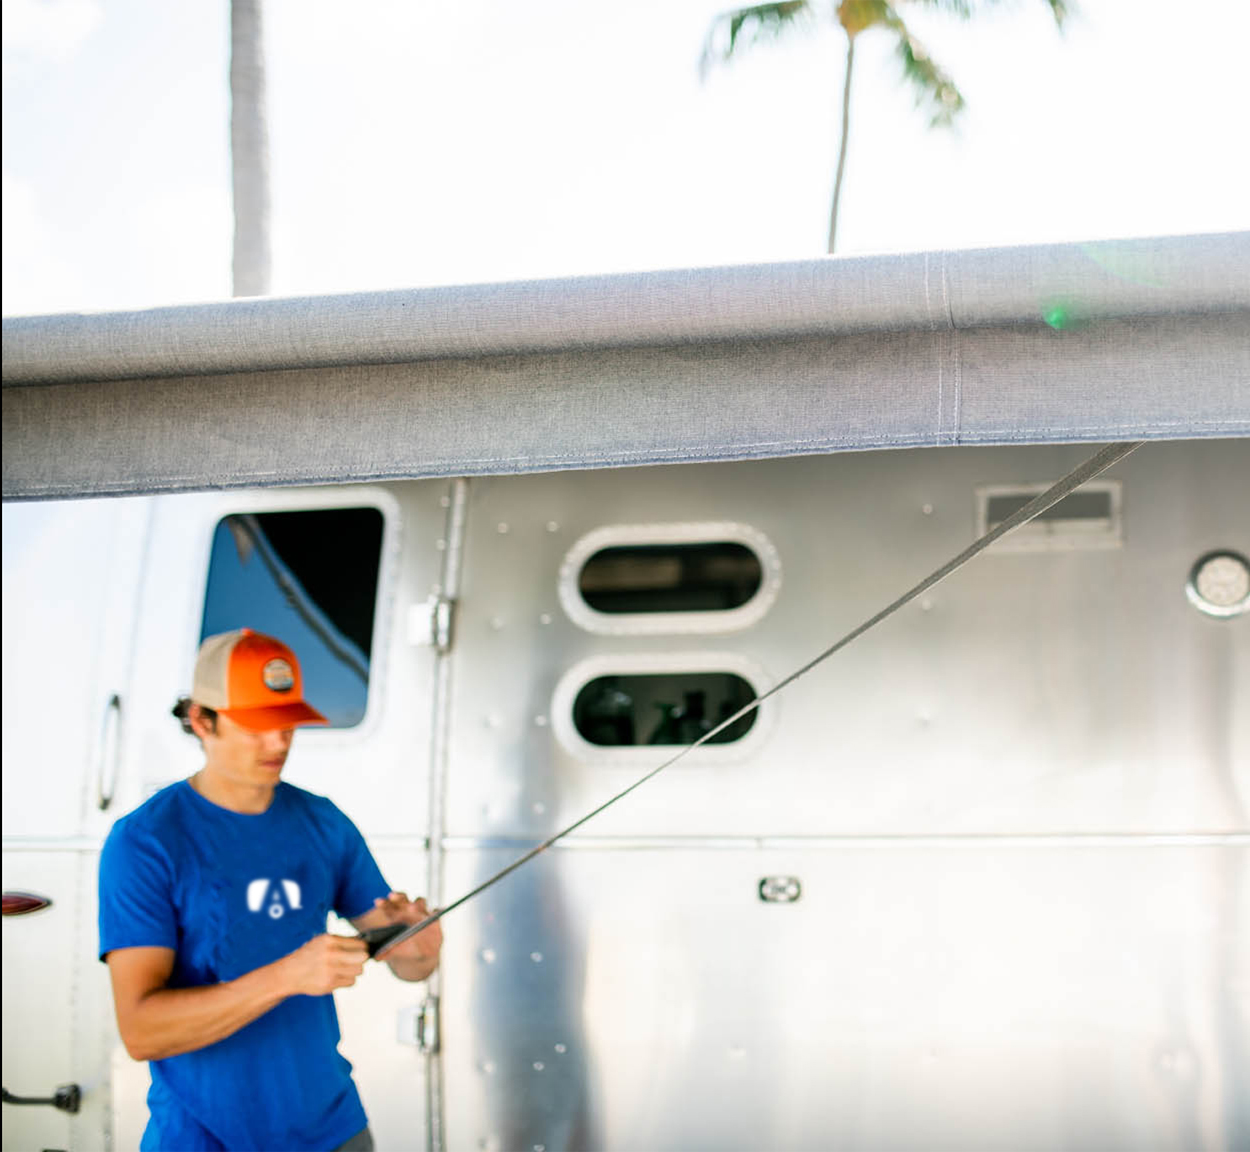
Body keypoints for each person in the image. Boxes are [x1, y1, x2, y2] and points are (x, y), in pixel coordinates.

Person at [98, 628, 443, 1152]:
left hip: (334, 1132)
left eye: (287, 724)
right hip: (201, 1138)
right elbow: (143, 1031)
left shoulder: (323, 823)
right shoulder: (146, 842)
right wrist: (287, 976)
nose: (278, 742)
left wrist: (422, 948)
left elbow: (406, 960)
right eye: (258, 725)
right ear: (201, 720)